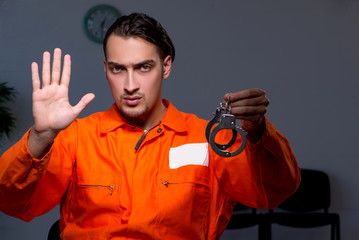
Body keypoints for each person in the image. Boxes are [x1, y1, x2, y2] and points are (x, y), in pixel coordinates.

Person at [0, 13, 300, 240]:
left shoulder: (208, 139)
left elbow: (270, 193)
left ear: (165, 67)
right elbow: (12, 202)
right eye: (118, 69)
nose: (130, 85)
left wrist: (259, 131)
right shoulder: (77, 137)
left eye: (144, 67)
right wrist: (41, 136)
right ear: (106, 69)